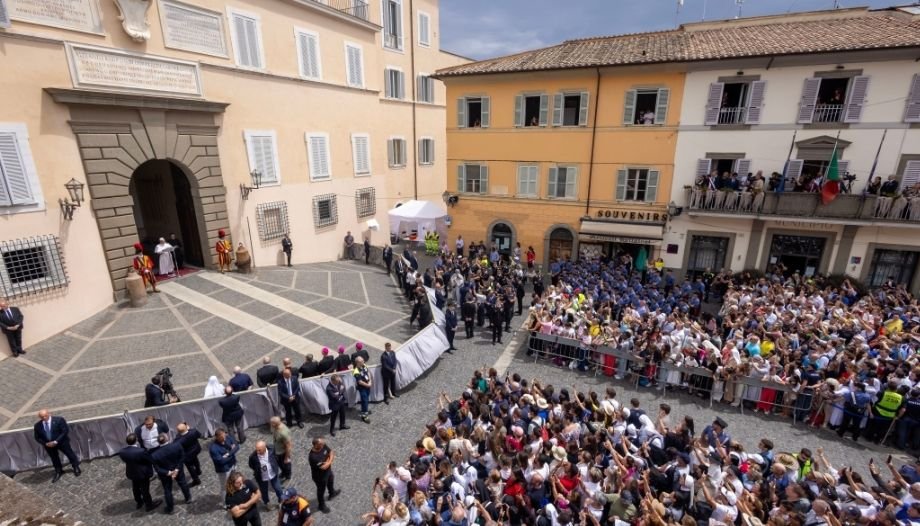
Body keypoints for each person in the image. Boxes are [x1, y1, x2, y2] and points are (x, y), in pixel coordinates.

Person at [33, 409, 81, 483]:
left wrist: (56, 441)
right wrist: (45, 443)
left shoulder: (59, 420)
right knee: (54, 458)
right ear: (40, 417)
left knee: (69, 454)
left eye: (45, 416)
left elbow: (65, 431)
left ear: (49, 414)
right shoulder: (37, 425)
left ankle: (75, 466)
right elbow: (37, 437)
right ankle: (58, 471)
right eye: (42, 417)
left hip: (62, 442)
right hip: (48, 445)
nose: (44, 418)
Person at [117, 433, 162, 512]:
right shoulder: (141, 451)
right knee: (145, 489)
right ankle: (149, 505)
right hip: (142, 473)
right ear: (136, 441)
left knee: (135, 488)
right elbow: (150, 460)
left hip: (132, 472)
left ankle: (139, 502)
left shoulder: (122, 451)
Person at [150, 433, 192, 514]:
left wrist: (168, 472)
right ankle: (188, 498)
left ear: (158, 442)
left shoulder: (154, 455)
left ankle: (170, 508)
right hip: (178, 470)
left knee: (167, 490)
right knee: (183, 483)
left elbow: (157, 469)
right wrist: (176, 469)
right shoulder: (176, 446)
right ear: (167, 438)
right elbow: (182, 457)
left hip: (165, 474)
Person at [307, 437, 340, 514]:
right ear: (316, 445)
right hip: (319, 477)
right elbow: (323, 467)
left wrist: (328, 461)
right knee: (321, 491)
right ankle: (321, 505)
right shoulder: (313, 457)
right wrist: (329, 460)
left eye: (323, 443)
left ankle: (332, 493)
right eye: (321, 444)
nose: (323, 445)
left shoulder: (323, 445)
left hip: (328, 472)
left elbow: (331, 452)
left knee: (331, 481)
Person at [248, 440, 283, 510]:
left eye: (259, 450)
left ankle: (281, 501)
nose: (257, 452)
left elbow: (276, 457)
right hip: (262, 477)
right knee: (264, 491)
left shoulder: (271, 449)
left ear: (264, 448)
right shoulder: (253, 457)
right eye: (256, 450)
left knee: (278, 488)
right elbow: (251, 465)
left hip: (273, 474)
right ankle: (267, 503)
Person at [175, 422, 203, 487]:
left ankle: (196, 480)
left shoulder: (178, 440)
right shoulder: (193, 431)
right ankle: (198, 470)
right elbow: (199, 435)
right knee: (195, 459)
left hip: (187, 455)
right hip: (196, 449)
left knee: (190, 467)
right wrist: (189, 429)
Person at [269, 416, 293, 482]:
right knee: (280, 464)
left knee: (286, 464)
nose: (270, 424)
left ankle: (288, 474)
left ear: (275, 424)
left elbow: (289, 446)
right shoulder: (274, 427)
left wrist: (286, 457)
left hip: (282, 452)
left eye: (271, 423)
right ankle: (283, 472)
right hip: (277, 449)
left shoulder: (283, 433)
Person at [353, 356, 372, 423]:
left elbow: (368, 372)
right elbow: (360, 382)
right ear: (357, 363)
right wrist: (368, 385)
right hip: (363, 388)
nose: (363, 362)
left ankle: (365, 410)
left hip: (367, 386)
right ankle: (364, 415)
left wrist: (370, 381)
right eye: (361, 361)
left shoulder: (364, 365)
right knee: (364, 400)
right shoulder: (356, 371)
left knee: (366, 399)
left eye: (363, 360)